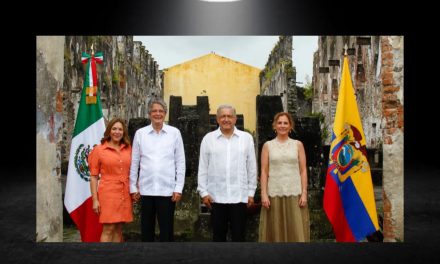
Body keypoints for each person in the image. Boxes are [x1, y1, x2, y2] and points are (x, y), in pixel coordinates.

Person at [197, 104, 257, 242]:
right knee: (218, 237)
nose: (226, 119)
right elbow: (203, 167)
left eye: (229, 116)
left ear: (235, 119)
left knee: (239, 236)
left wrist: (250, 193)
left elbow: (252, 167)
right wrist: (203, 192)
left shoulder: (246, 138)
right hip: (216, 197)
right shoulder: (208, 139)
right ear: (217, 119)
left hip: (240, 196)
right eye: (222, 116)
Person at [129, 97, 185, 242]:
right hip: (145, 190)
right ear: (149, 114)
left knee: (167, 231)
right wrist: (133, 187)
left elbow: (180, 162)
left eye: (161, 111)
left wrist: (178, 188)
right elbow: (135, 162)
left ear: (165, 113)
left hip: (167, 190)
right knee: (146, 230)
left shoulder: (175, 133)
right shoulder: (140, 134)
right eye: (154, 111)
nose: (157, 114)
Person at [258, 112, 310, 242]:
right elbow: (264, 171)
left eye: (285, 123)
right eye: (279, 123)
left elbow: (303, 170)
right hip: (274, 193)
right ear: (274, 126)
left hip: (295, 193)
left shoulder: (298, 145)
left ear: (290, 126)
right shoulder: (267, 146)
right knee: (275, 230)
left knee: (295, 231)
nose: (282, 126)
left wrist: (304, 193)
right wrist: (263, 194)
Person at [88, 117, 133, 242]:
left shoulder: (128, 148)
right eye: (114, 129)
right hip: (108, 193)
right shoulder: (99, 150)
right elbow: (93, 177)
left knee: (118, 228)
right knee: (108, 228)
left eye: (120, 129)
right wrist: (95, 200)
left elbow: (133, 171)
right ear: (109, 131)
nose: (117, 132)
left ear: (123, 132)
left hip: (124, 192)